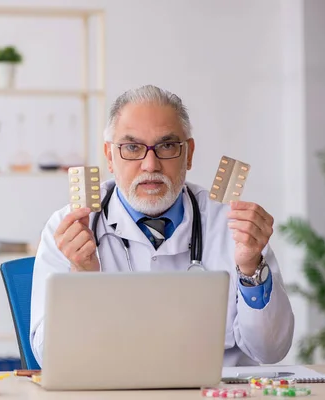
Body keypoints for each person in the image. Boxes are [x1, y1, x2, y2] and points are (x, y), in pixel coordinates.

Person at [29, 85, 295, 367]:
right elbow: (53, 360)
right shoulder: (71, 228)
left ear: (189, 153)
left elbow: (271, 350)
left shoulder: (234, 226)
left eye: (167, 146)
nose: (150, 164)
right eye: (132, 147)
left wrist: (251, 268)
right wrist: (82, 278)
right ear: (109, 156)